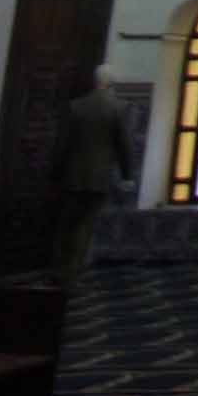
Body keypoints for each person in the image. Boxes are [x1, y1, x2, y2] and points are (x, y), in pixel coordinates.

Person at [56, 65, 135, 283]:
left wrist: (57, 171)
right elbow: (123, 146)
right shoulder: (117, 108)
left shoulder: (76, 106)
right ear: (111, 83)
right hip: (99, 176)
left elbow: (64, 144)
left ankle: (60, 267)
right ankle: (73, 270)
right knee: (85, 224)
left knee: (67, 224)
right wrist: (128, 175)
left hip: (73, 174)